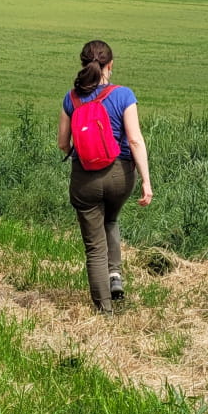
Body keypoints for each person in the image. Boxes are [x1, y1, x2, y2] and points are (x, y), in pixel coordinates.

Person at [58, 40, 152, 313]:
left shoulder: (71, 98)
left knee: (94, 246)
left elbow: (63, 143)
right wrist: (146, 180)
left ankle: (104, 310)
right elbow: (135, 140)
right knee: (110, 218)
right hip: (120, 176)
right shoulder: (124, 95)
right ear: (110, 66)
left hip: (85, 179)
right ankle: (115, 277)